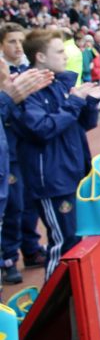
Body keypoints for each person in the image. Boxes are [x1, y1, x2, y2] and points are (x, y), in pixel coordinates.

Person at [18, 29, 100, 280]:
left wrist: (90, 103)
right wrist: (75, 101)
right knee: (63, 243)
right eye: (60, 51)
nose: (66, 56)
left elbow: (79, 126)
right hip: (52, 181)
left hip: (72, 172)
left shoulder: (59, 84)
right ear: (41, 57)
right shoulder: (27, 90)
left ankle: (76, 298)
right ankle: (52, 308)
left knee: (77, 240)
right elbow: (42, 129)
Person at [0, 25, 50, 284]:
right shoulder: (5, 78)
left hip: (27, 147)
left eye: (21, 41)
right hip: (8, 151)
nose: (18, 46)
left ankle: (30, 248)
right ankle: (8, 257)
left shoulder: (28, 72)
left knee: (29, 202)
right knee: (11, 205)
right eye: (11, 41)